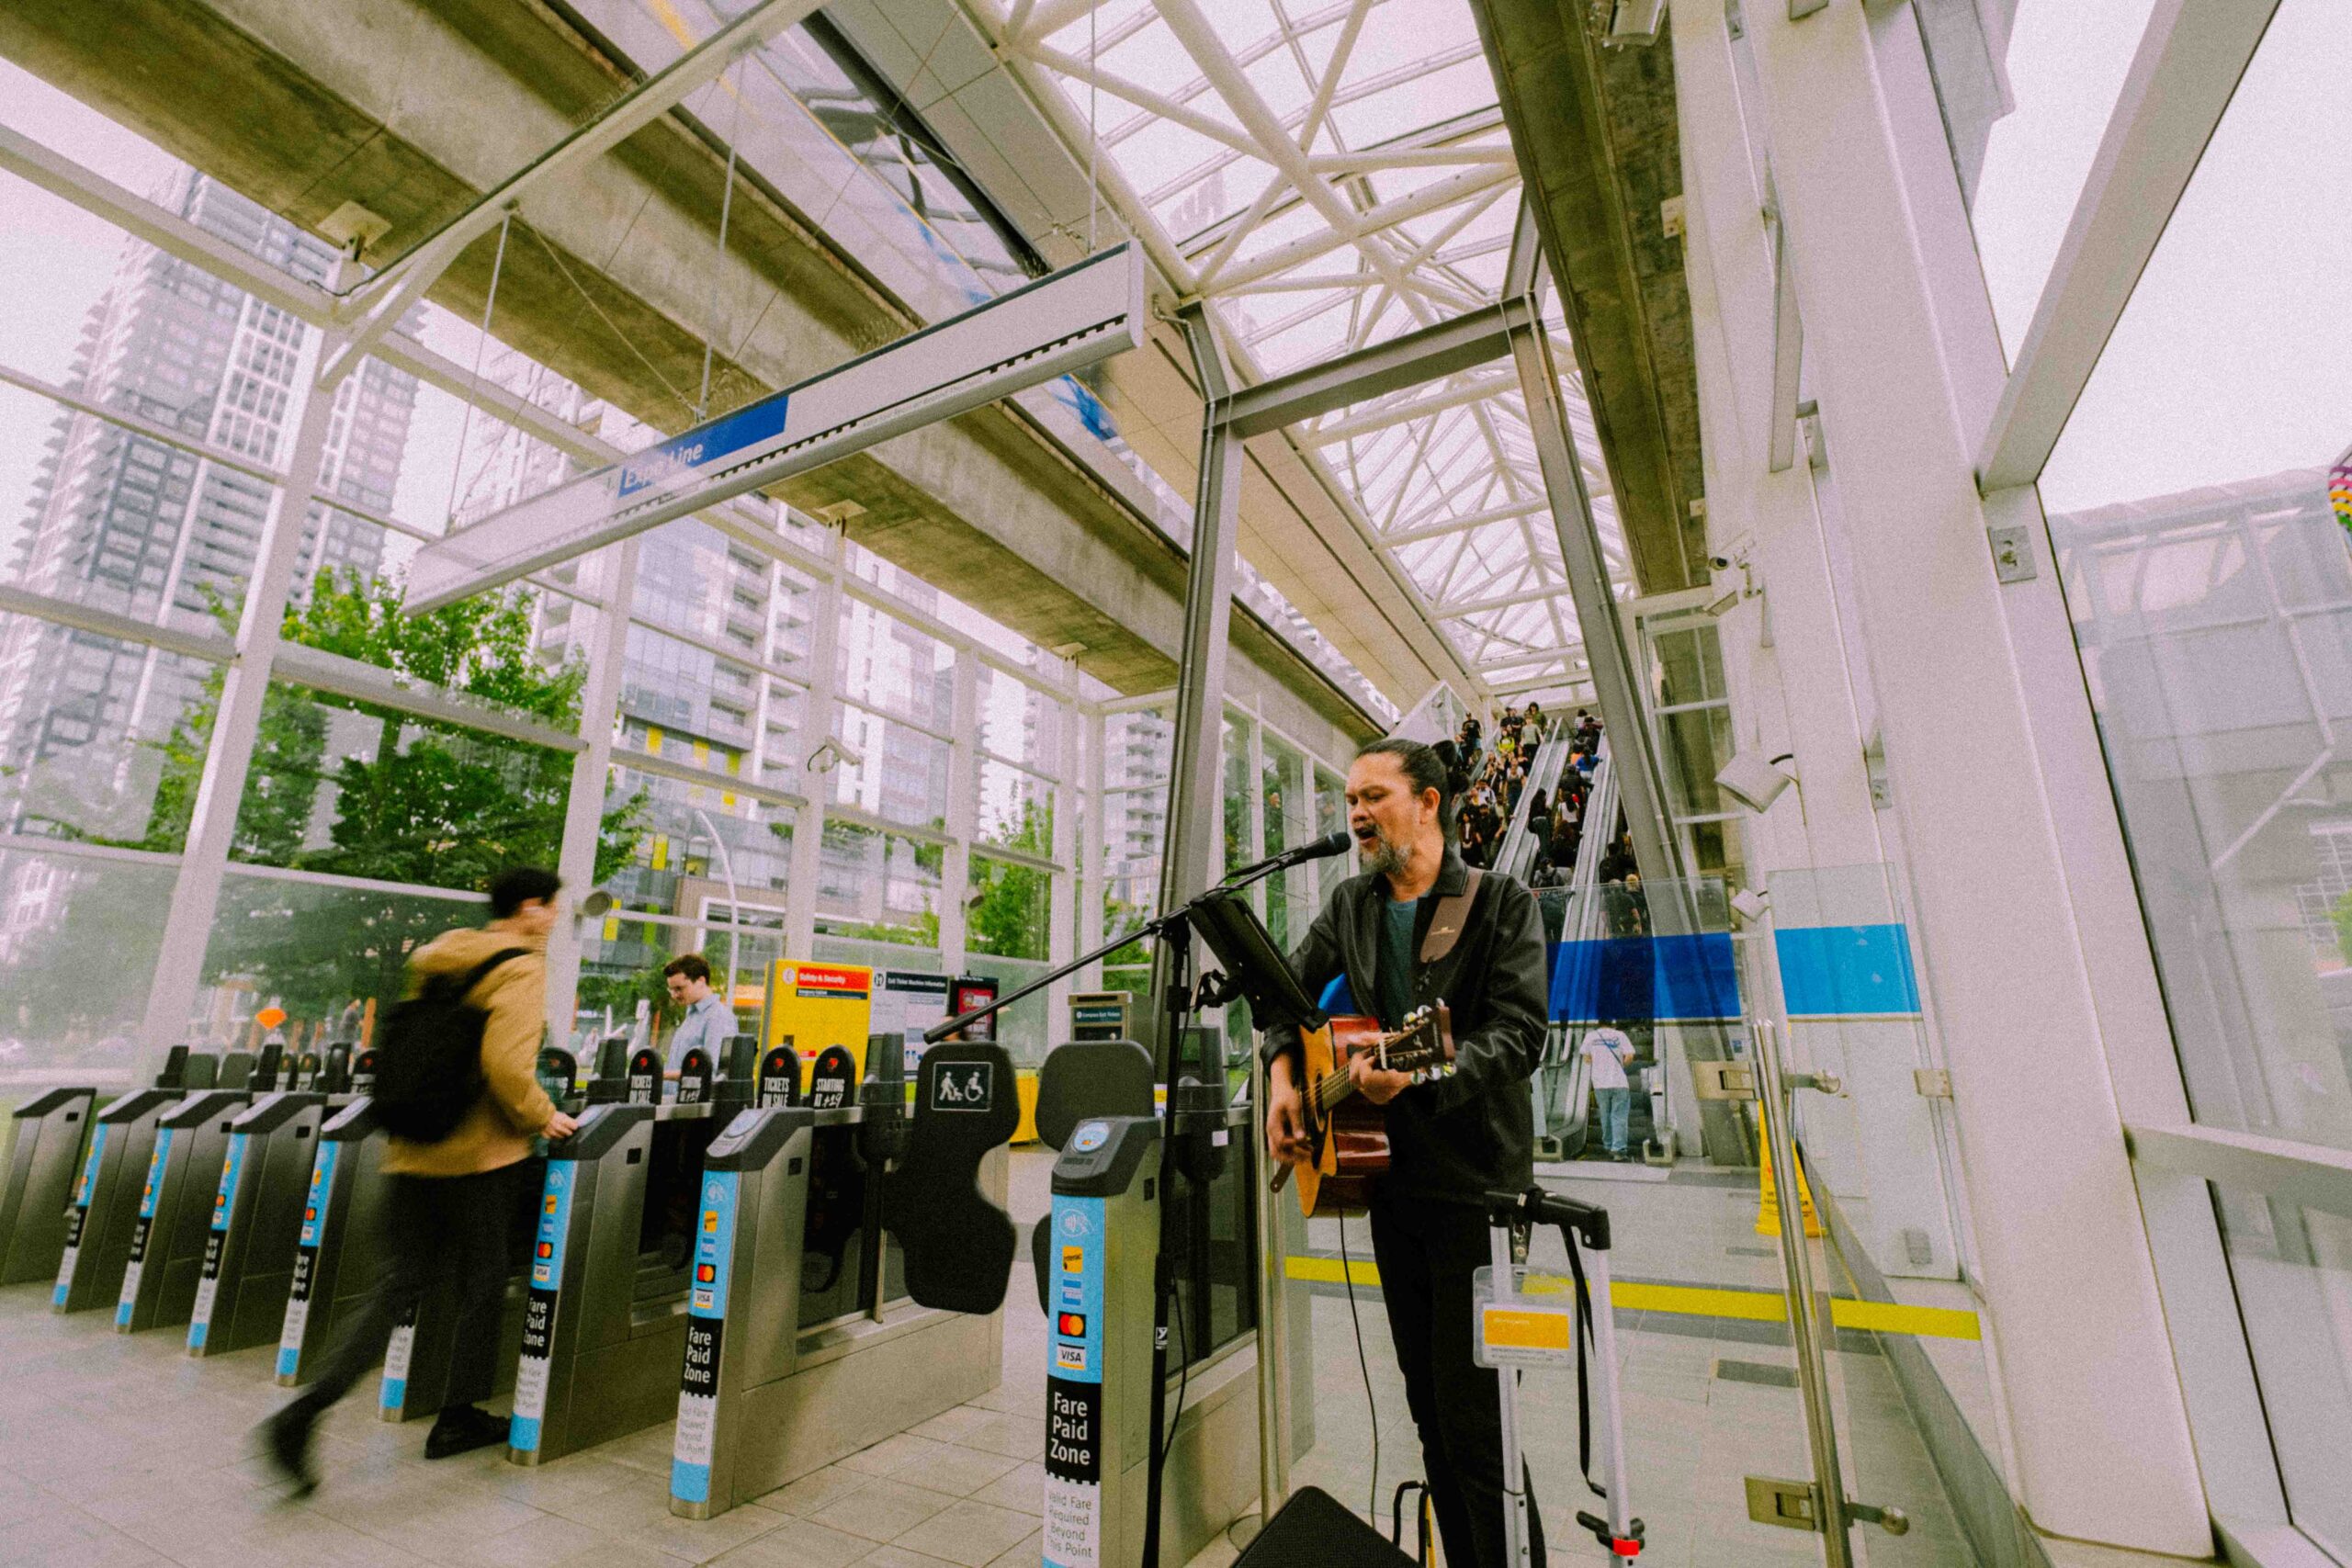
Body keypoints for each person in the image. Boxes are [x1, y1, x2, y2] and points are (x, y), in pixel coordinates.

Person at [1264, 739, 1551, 1568]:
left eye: (1374, 795)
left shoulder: (1499, 903)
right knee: (1429, 1414)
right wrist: (1285, 1079)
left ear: (1429, 802)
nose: (1355, 811)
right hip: (1391, 1189)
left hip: (1479, 1196)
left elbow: (1520, 1034)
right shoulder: (1351, 904)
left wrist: (1425, 1073)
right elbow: (1281, 993)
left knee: (1480, 1422)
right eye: (1350, 797)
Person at [259, 867, 579, 1492]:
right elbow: (506, 1065)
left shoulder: (439, 957)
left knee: (398, 1285)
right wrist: (545, 1115)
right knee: (484, 1284)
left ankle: (306, 1410)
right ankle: (456, 1417)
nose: (554, 919)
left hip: (412, 1148)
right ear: (529, 907)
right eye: (551, 907)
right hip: (480, 1157)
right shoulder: (519, 967)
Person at [1580, 1022, 1637, 1158]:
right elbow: (1629, 1056)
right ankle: (1618, 1150)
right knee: (1619, 1116)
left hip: (1600, 1084)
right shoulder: (1620, 1035)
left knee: (1605, 1115)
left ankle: (1608, 1145)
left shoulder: (1591, 1036)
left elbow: (1586, 1059)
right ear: (1613, 1023)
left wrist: (1600, 1063)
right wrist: (1618, 1066)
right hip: (1619, 1083)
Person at [664, 953, 731, 1060]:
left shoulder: (718, 1017)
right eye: (671, 990)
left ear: (701, 981)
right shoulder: (692, 1016)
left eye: (679, 988)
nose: (674, 995)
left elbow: (712, 1067)